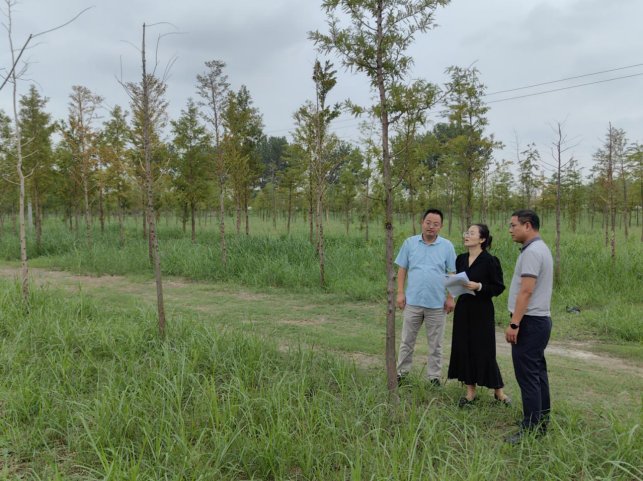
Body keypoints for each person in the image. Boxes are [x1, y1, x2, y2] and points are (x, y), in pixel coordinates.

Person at [447, 224, 512, 407]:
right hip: (463, 309)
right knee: (464, 347)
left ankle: (499, 392)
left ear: (482, 239)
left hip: (482, 310)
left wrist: (479, 286)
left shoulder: (490, 261)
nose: (467, 235)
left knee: (485, 350)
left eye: (472, 233)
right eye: (466, 232)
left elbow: (498, 287)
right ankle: (470, 393)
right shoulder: (461, 259)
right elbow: (458, 282)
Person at [504, 209, 554, 444]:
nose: (510, 229)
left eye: (514, 225)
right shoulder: (538, 249)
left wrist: (515, 323)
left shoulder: (532, 252)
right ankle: (541, 422)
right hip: (539, 321)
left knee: (528, 376)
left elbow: (526, 290)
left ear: (528, 226)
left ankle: (531, 428)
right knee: (537, 373)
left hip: (531, 321)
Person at [395, 208, 456, 387]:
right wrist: (400, 292)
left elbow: (452, 272)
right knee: (407, 340)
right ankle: (401, 373)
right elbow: (402, 268)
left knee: (436, 343)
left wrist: (450, 297)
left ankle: (434, 377)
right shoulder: (409, 243)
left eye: (436, 224)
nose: (431, 227)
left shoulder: (447, 246)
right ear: (422, 222)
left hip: (437, 303)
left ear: (441, 226)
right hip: (412, 301)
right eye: (428, 223)